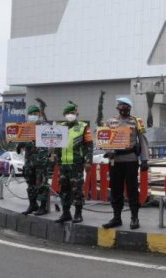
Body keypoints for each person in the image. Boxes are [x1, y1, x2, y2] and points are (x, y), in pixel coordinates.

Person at [102, 97, 150, 230]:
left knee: (132, 190)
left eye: (127, 106)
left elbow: (143, 141)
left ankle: (135, 218)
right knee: (116, 190)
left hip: (131, 160)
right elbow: (104, 139)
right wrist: (108, 151)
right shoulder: (110, 122)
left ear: (130, 108)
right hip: (115, 161)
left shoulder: (136, 121)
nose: (124, 108)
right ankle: (116, 217)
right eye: (122, 106)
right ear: (118, 107)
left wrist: (145, 160)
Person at [54, 102, 93, 224]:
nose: (70, 115)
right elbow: (56, 145)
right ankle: (66, 213)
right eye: (68, 113)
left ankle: (78, 213)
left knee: (77, 189)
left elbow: (89, 145)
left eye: (72, 113)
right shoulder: (59, 127)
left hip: (76, 164)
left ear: (77, 114)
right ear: (64, 115)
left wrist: (88, 161)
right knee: (63, 189)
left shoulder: (83, 126)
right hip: (63, 164)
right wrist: (53, 154)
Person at [17, 105, 53, 216]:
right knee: (30, 184)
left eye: (35, 114)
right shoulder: (25, 127)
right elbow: (21, 143)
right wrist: (18, 145)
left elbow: (54, 142)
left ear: (40, 115)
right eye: (31, 114)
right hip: (29, 162)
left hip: (41, 161)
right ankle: (32, 205)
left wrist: (51, 153)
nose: (33, 116)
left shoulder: (46, 127)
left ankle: (43, 207)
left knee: (42, 184)